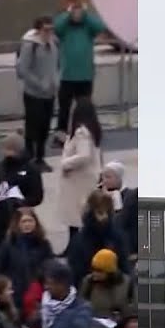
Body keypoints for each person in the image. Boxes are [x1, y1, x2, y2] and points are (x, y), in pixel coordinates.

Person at [53, 3, 106, 140]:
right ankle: (61, 135)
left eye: (79, 12)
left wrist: (86, 13)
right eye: (74, 12)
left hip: (85, 76)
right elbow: (56, 27)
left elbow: (100, 26)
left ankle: (87, 132)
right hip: (67, 76)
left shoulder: (88, 27)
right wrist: (68, 13)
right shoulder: (65, 28)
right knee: (64, 108)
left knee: (85, 108)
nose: (77, 15)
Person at [57, 97, 103, 243]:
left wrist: (65, 163)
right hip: (84, 178)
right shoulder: (91, 130)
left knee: (77, 215)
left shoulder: (82, 133)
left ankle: (75, 245)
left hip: (79, 179)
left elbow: (84, 156)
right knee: (79, 215)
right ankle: (73, 244)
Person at [16, 16, 60, 169]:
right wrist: (40, 84)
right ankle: (29, 158)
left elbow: (55, 65)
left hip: (49, 94)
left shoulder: (53, 44)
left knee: (45, 126)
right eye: (46, 30)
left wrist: (56, 81)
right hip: (33, 94)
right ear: (38, 30)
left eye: (51, 29)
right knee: (32, 126)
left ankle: (40, 157)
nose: (49, 33)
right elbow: (22, 70)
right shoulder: (30, 45)